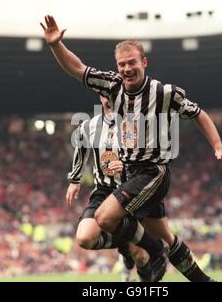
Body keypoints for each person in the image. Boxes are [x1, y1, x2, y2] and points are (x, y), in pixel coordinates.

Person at [41, 15, 222, 282]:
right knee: (163, 237)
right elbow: (78, 69)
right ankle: (200, 279)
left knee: (108, 219)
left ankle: (149, 251)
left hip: (151, 173)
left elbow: (198, 113)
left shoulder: (163, 93)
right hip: (127, 179)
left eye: (132, 62)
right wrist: (56, 45)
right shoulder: (112, 88)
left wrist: (218, 146)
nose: (127, 69)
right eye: (122, 64)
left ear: (144, 62)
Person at [66, 95, 162, 282]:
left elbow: (153, 161)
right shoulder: (89, 126)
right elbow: (80, 146)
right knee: (84, 238)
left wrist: (126, 166)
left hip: (133, 191)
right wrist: (75, 180)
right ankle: (125, 245)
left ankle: (145, 283)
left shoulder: (137, 125)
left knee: (141, 256)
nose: (108, 97)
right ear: (100, 97)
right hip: (104, 191)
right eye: (104, 93)